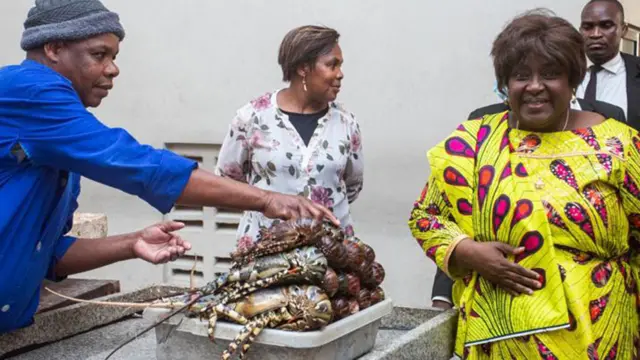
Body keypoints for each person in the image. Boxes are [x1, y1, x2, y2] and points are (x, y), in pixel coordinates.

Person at [0, 0, 338, 335]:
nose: (113, 69)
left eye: (114, 57)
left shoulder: (55, 138)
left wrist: (132, 243)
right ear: (55, 48)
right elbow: (138, 164)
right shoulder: (30, 90)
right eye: (99, 55)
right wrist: (264, 199)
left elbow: (49, 256)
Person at [409, 9, 640, 359]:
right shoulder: (475, 141)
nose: (534, 86)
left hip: (598, 337)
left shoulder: (620, 146)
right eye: (520, 75)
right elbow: (426, 217)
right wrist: (468, 252)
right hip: (501, 342)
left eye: (550, 74)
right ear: (506, 83)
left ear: (572, 79)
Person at [215, 25, 364, 250]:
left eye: (340, 65)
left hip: (332, 255)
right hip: (266, 253)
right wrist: (265, 206)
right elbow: (227, 180)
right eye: (331, 65)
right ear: (303, 68)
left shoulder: (346, 123)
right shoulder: (252, 117)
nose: (340, 74)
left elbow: (352, 185)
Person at [577, 0, 640, 129]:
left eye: (606, 25)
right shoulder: (564, 72)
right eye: (588, 27)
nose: (596, 34)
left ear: (623, 30)